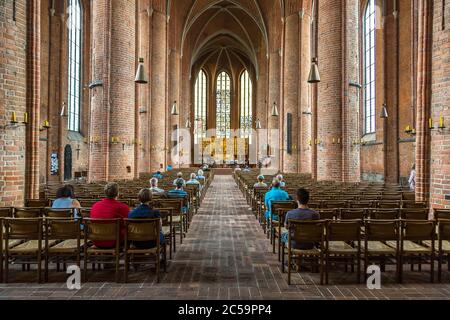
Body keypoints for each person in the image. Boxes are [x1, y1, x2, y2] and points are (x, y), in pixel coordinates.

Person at [90, 182, 130, 248]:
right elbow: (127, 224)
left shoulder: (95, 206)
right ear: (118, 193)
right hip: (115, 240)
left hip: (97, 240)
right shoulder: (123, 207)